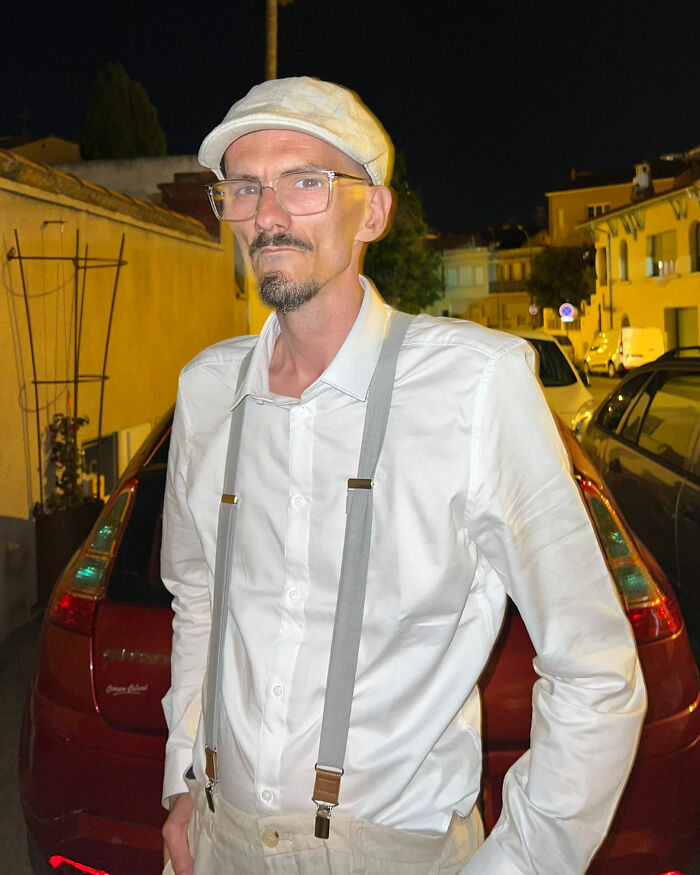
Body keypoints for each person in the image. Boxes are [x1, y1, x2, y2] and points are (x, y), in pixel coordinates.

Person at [160, 76, 646, 875]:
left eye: (306, 181)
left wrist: (516, 865)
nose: (269, 214)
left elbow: (595, 669)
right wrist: (183, 782)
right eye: (245, 187)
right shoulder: (208, 390)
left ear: (373, 214)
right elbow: (199, 600)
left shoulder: (475, 386)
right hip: (219, 843)